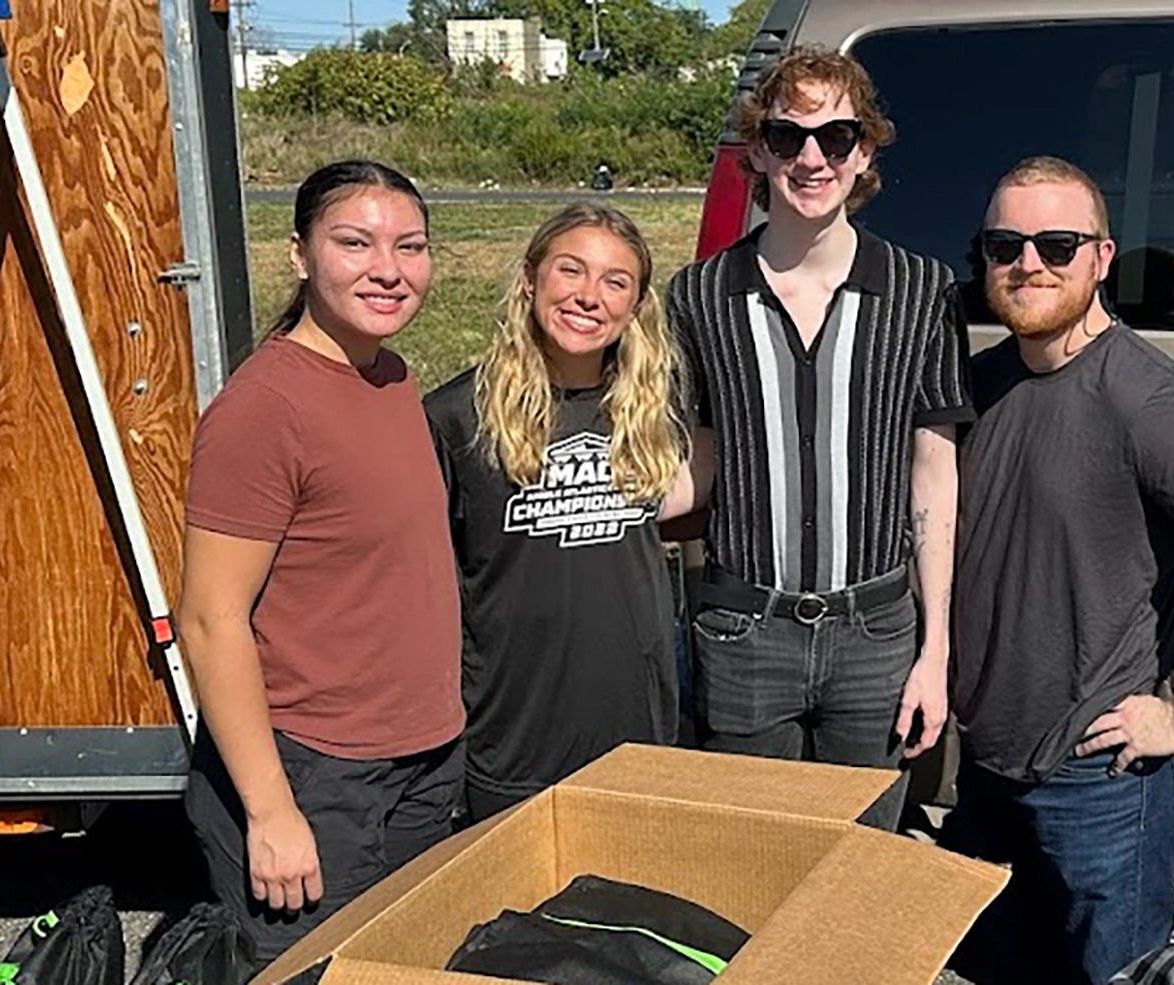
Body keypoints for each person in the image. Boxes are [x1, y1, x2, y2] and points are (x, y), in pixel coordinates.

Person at [945, 156, 1174, 985]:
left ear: (1102, 259)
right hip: (990, 769)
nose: (1028, 262)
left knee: (1120, 975)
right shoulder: (984, 383)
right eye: (1005, 245)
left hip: (1099, 778)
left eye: (1057, 244)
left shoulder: (1144, 395)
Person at [666, 45, 974, 829]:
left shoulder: (920, 289)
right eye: (787, 136)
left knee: (859, 866)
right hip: (743, 630)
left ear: (864, 150)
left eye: (835, 138)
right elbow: (691, 462)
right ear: (759, 149)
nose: (811, 157)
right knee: (748, 861)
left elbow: (933, 473)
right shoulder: (699, 294)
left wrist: (935, 652)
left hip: (874, 631)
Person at [179, 160, 465, 967]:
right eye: (355, 242)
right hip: (319, 772)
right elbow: (210, 619)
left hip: (421, 757)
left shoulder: (390, 376)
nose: (388, 269)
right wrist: (270, 813)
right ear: (301, 254)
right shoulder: (266, 407)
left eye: (410, 247)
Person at [424, 202, 706, 822]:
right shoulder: (455, 417)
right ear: (530, 279)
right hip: (510, 740)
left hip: (634, 733)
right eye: (570, 271)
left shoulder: (653, 411)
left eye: (615, 282)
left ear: (636, 306)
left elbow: (706, 481)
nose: (588, 296)